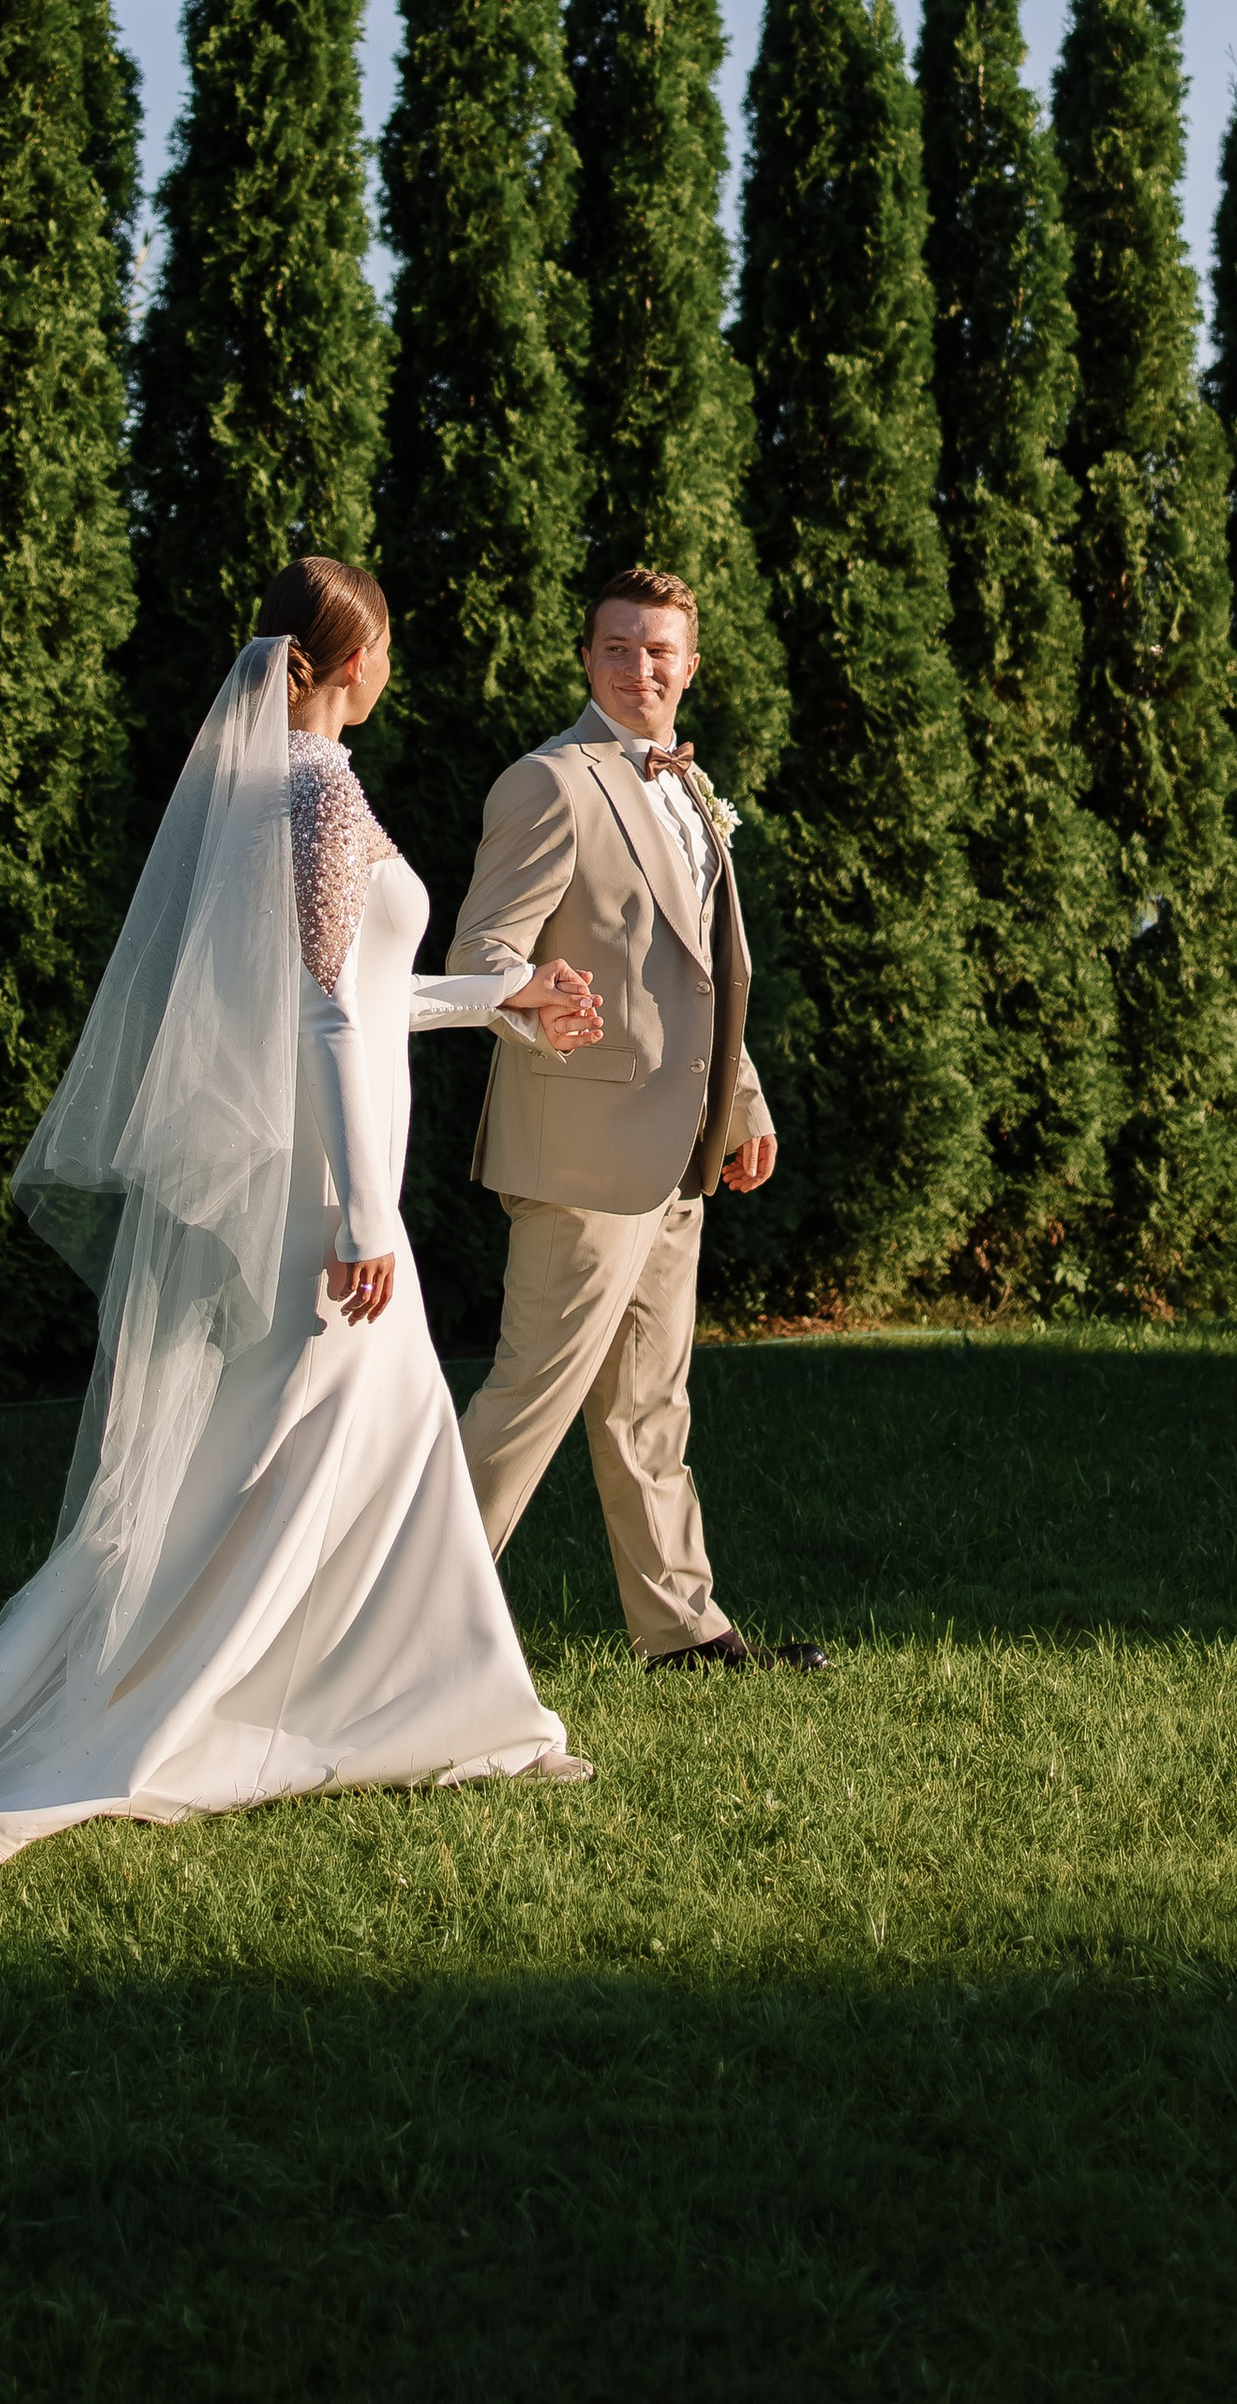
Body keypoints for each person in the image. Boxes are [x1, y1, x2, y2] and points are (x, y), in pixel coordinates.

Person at [0, 557, 602, 1855]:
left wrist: (497, 1001)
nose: (393, 666)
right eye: (388, 644)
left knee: (367, 1455)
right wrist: (359, 1219)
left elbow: (364, 996)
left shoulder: (288, 795)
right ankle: (179, 1720)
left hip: (328, 1196)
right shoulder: (317, 798)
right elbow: (322, 1014)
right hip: (324, 1209)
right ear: (350, 663)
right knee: (277, 1470)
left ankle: (456, 1714)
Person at [447, 565, 826, 1676]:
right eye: (618, 647)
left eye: (660, 650)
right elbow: (483, 956)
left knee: (651, 1404)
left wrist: (741, 1102)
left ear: (690, 666)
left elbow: (705, 974)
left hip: (680, 1152)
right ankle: (406, 1620)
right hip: (580, 1150)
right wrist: (539, 1010)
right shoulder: (549, 784)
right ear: (587, 658)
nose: (640, 666)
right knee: (531, 1398)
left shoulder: (692, 791)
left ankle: (686, 1630)